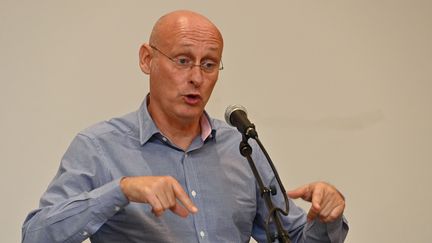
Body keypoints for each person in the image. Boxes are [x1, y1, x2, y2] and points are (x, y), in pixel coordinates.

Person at [22, 10, 348, 243]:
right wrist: (120, 190)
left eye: (208, 64)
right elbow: (36, 235)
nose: (196, 77)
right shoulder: (99, 147)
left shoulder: (240, 148)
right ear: (147, 60)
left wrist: (325, 218)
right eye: (182, 60)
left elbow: (290, 238)